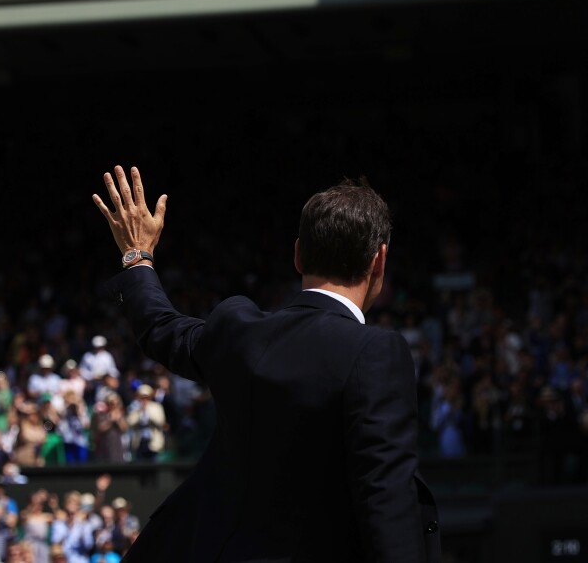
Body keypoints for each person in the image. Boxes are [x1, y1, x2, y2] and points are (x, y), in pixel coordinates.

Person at [92, 166, 440, 562]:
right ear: (379, 260)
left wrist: (137, 256)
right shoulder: (377, 351)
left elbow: (161, 328)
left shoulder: (239, 329)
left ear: (297, 254)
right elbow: (387, 502)